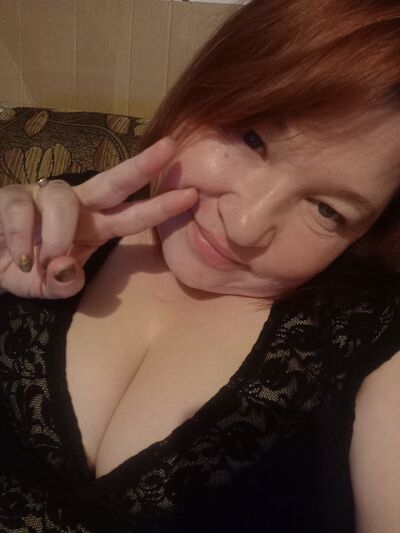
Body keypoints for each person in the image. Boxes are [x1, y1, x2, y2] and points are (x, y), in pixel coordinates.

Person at [0, 0, 399, 531]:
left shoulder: (375, 336)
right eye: (252, 138)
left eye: (328, 210)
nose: (246, 226)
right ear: (202, 90)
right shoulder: (49, 218)